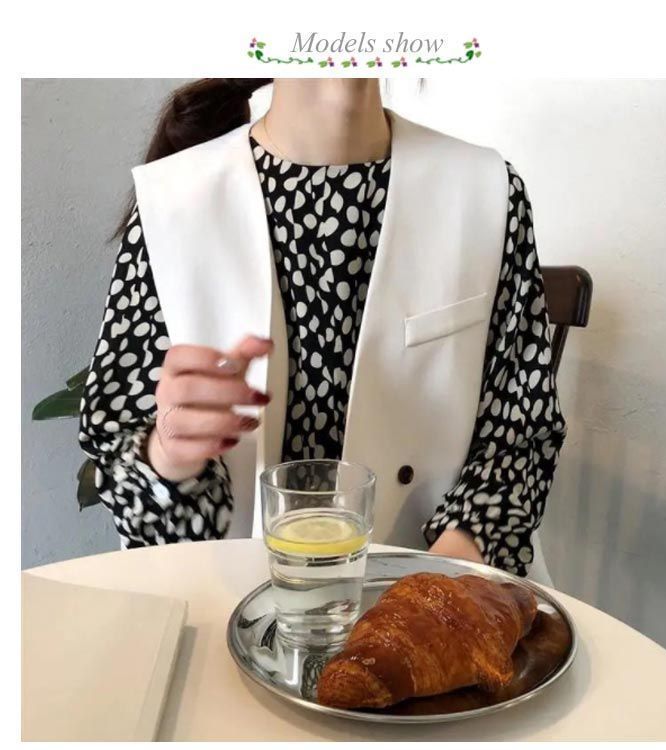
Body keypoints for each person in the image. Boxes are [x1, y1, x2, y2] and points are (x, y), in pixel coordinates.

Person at [79, 78, 566, 584]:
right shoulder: (172, 206)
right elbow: (126, 471)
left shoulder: (487, 193)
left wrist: (430, 592)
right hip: (224, 599)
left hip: (440, 596)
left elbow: (520, 440)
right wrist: (169, 454)